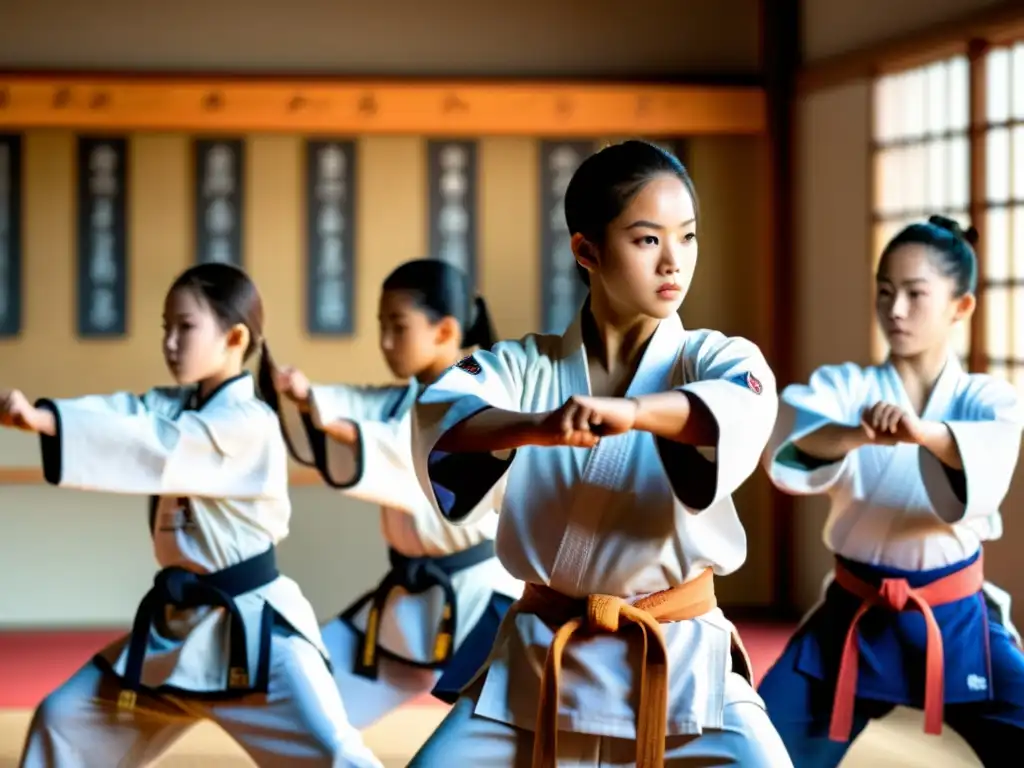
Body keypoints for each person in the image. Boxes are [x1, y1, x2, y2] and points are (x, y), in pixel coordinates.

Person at [404, 140, 793, 766]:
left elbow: (736, 406)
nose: (674, 262)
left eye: (688, 237)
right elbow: (445, 410)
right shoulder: (522, 365)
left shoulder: (717, 357)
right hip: (541, 660)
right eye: (647, 240)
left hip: (679, 656)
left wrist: (636, 413)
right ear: (586, 250)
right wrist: (536, 427)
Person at [2, 263, 382, 768]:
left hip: (255, 634)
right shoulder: (172, 405)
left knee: (335, 756)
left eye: (186, 326)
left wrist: (47, 421)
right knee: (65, 720)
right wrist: (47, 419)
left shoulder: (249, 421)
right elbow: (126, 416)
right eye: (166, 327)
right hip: (173, 632)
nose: (171, 341)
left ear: (235, 336)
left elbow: (160, 445)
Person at [759, 215, 1024, 766]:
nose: (895, 310)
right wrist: (862, 432)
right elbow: (795, 440)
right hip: (853, 615)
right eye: (885, 292)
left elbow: (985, 464)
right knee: (757, 750)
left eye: (914, 294)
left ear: (961, 306)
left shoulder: (986, 398)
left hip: (956, 616)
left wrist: (922, 433)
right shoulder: (847, 387)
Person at [264, 259, 523, 731]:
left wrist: (334, 425)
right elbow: (359, 406)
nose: (385, 341)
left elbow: (406, 447)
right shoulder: (403, 396)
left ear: (444, 329)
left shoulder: (480, 386)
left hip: (483, 602)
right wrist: (304, 398)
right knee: (305, 707)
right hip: (410, 603)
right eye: (381, 326)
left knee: (484, 742)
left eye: (397, 326)